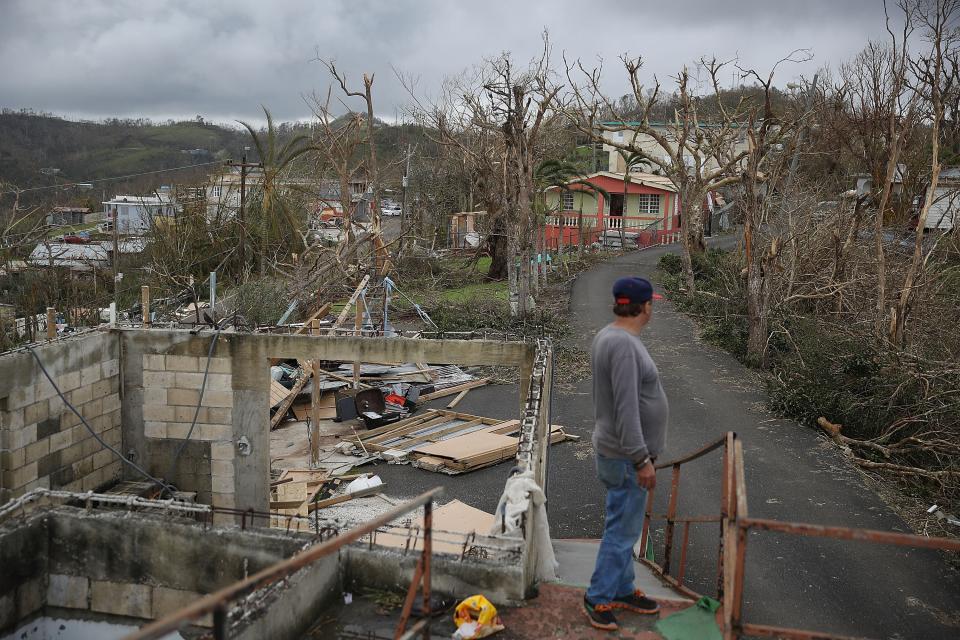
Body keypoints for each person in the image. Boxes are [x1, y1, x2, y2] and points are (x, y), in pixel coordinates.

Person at [583, 276, 669, 631]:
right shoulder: (623, 346)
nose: (652, 309)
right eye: (652, 303)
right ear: (644, 307)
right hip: (625, 456)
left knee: (622, 525)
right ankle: (597, 597)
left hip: (618, 452)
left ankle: (620, 587)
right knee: (622, 532)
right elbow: (626, 409)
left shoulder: (610, 336)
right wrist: (642, 460)